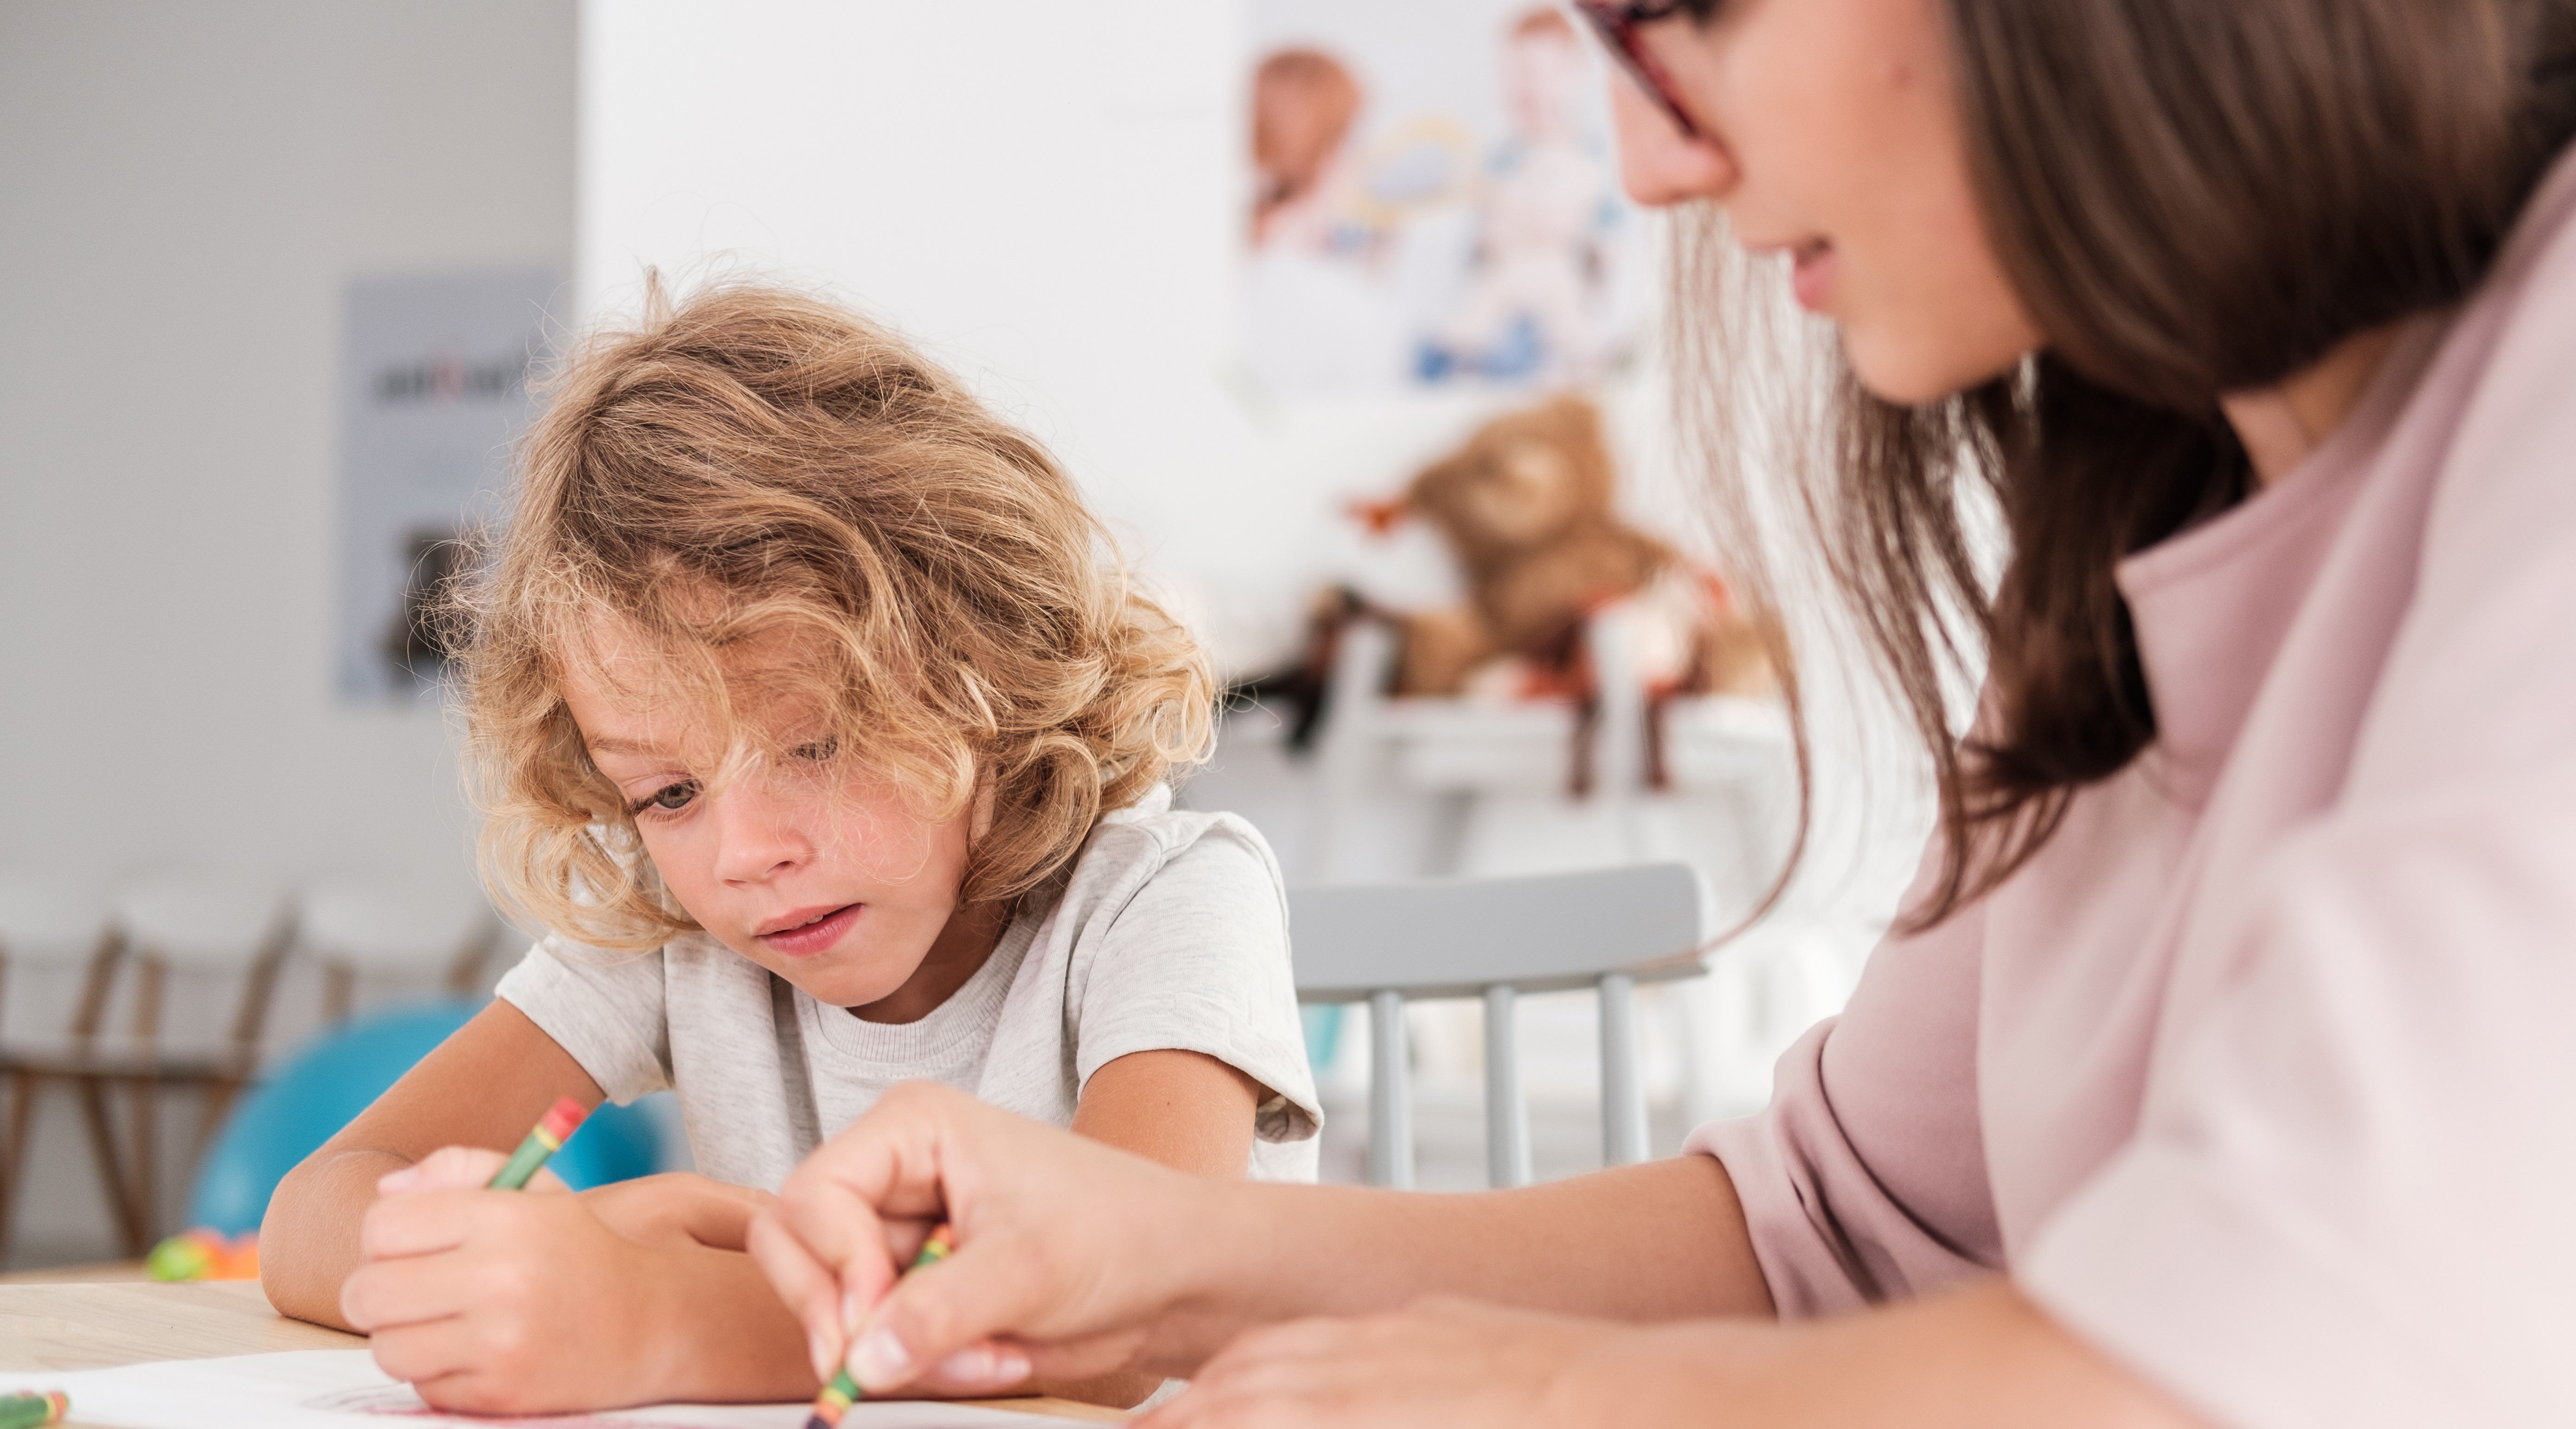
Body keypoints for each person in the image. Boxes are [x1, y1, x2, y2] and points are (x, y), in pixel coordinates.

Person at [747, 1, 2576, 1424]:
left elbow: (2307, 1347)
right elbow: (1834, 1238)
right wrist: (1163, 1256)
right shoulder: (2136, 514)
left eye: (1691, 13)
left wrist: (1540, 1389)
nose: (1641, 160)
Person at [257, 283, 1321, 1415]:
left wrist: (662, 1310)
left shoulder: (1164, 897)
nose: (745, 852)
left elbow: (1124, 1313)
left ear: (983, 668)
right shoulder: (680, 934)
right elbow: (309, 1214)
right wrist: (559, 1246)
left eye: (815, 743)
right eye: (668, 791)